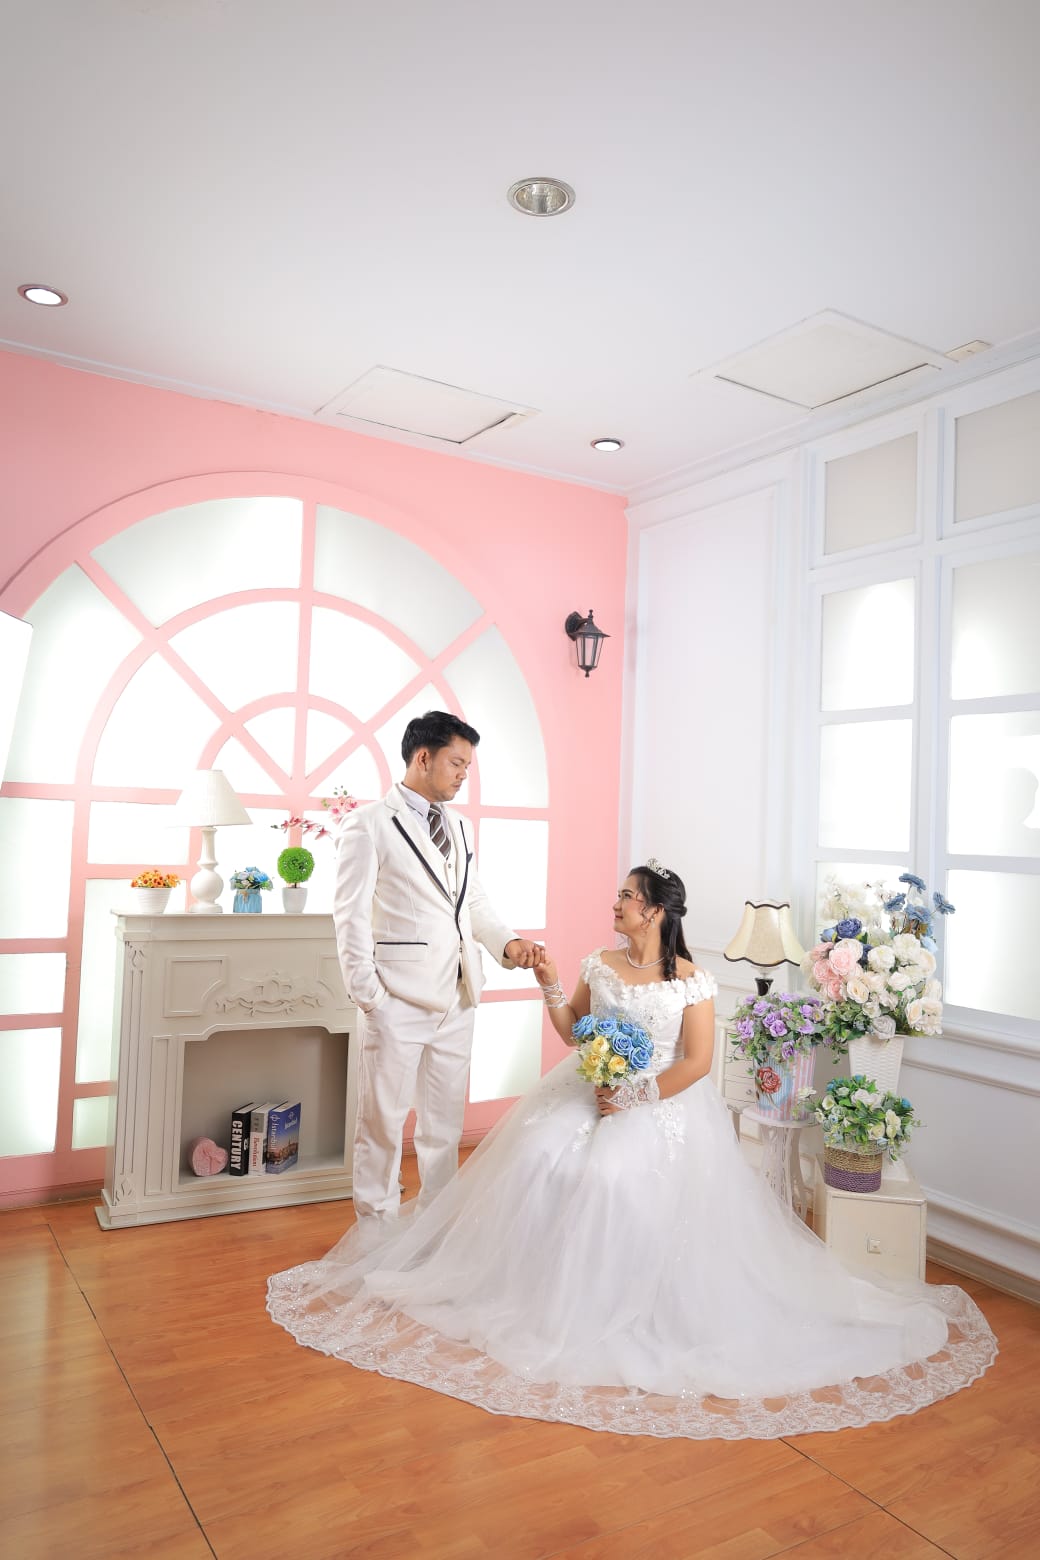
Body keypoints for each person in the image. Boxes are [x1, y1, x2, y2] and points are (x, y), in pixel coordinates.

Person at [269, 861, 996, 1439]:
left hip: (662, 1103)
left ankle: (608, 1308)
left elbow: (698, 1062)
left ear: (654, 912)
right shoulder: (600, 963)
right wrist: (552, 986)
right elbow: (573, 1031)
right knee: (539, 1153)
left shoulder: (693, 981)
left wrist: (638, 1095)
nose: (614, 904)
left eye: (626, 897)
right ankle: (526, 1292)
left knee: (612, 1177)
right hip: (588, 1088)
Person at [332, 710, 543, 1230]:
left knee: (443, 1127)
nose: (464, 774)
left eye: (468, 766)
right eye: (457, 763)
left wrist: (507, 942)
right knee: (381, 1125)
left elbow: (473, 901)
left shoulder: (459, 826)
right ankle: (376, 1232)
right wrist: (370, 996)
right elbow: (350, 916)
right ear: (423, 758)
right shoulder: (367, 825)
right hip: (396, 999)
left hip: (459, 995)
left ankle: (435, 1230)